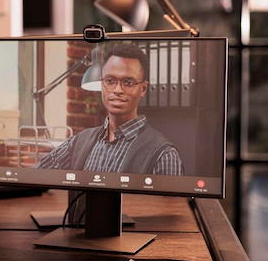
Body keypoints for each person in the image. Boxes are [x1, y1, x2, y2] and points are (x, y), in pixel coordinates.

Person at [34, 42, 183, 175]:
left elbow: (172, 206)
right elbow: (34, 176)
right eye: (110, 81)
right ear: (102, 83)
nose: (117, 89)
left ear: (143, 88)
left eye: (128, 82)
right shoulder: (79, 142)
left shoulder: (163, 155)